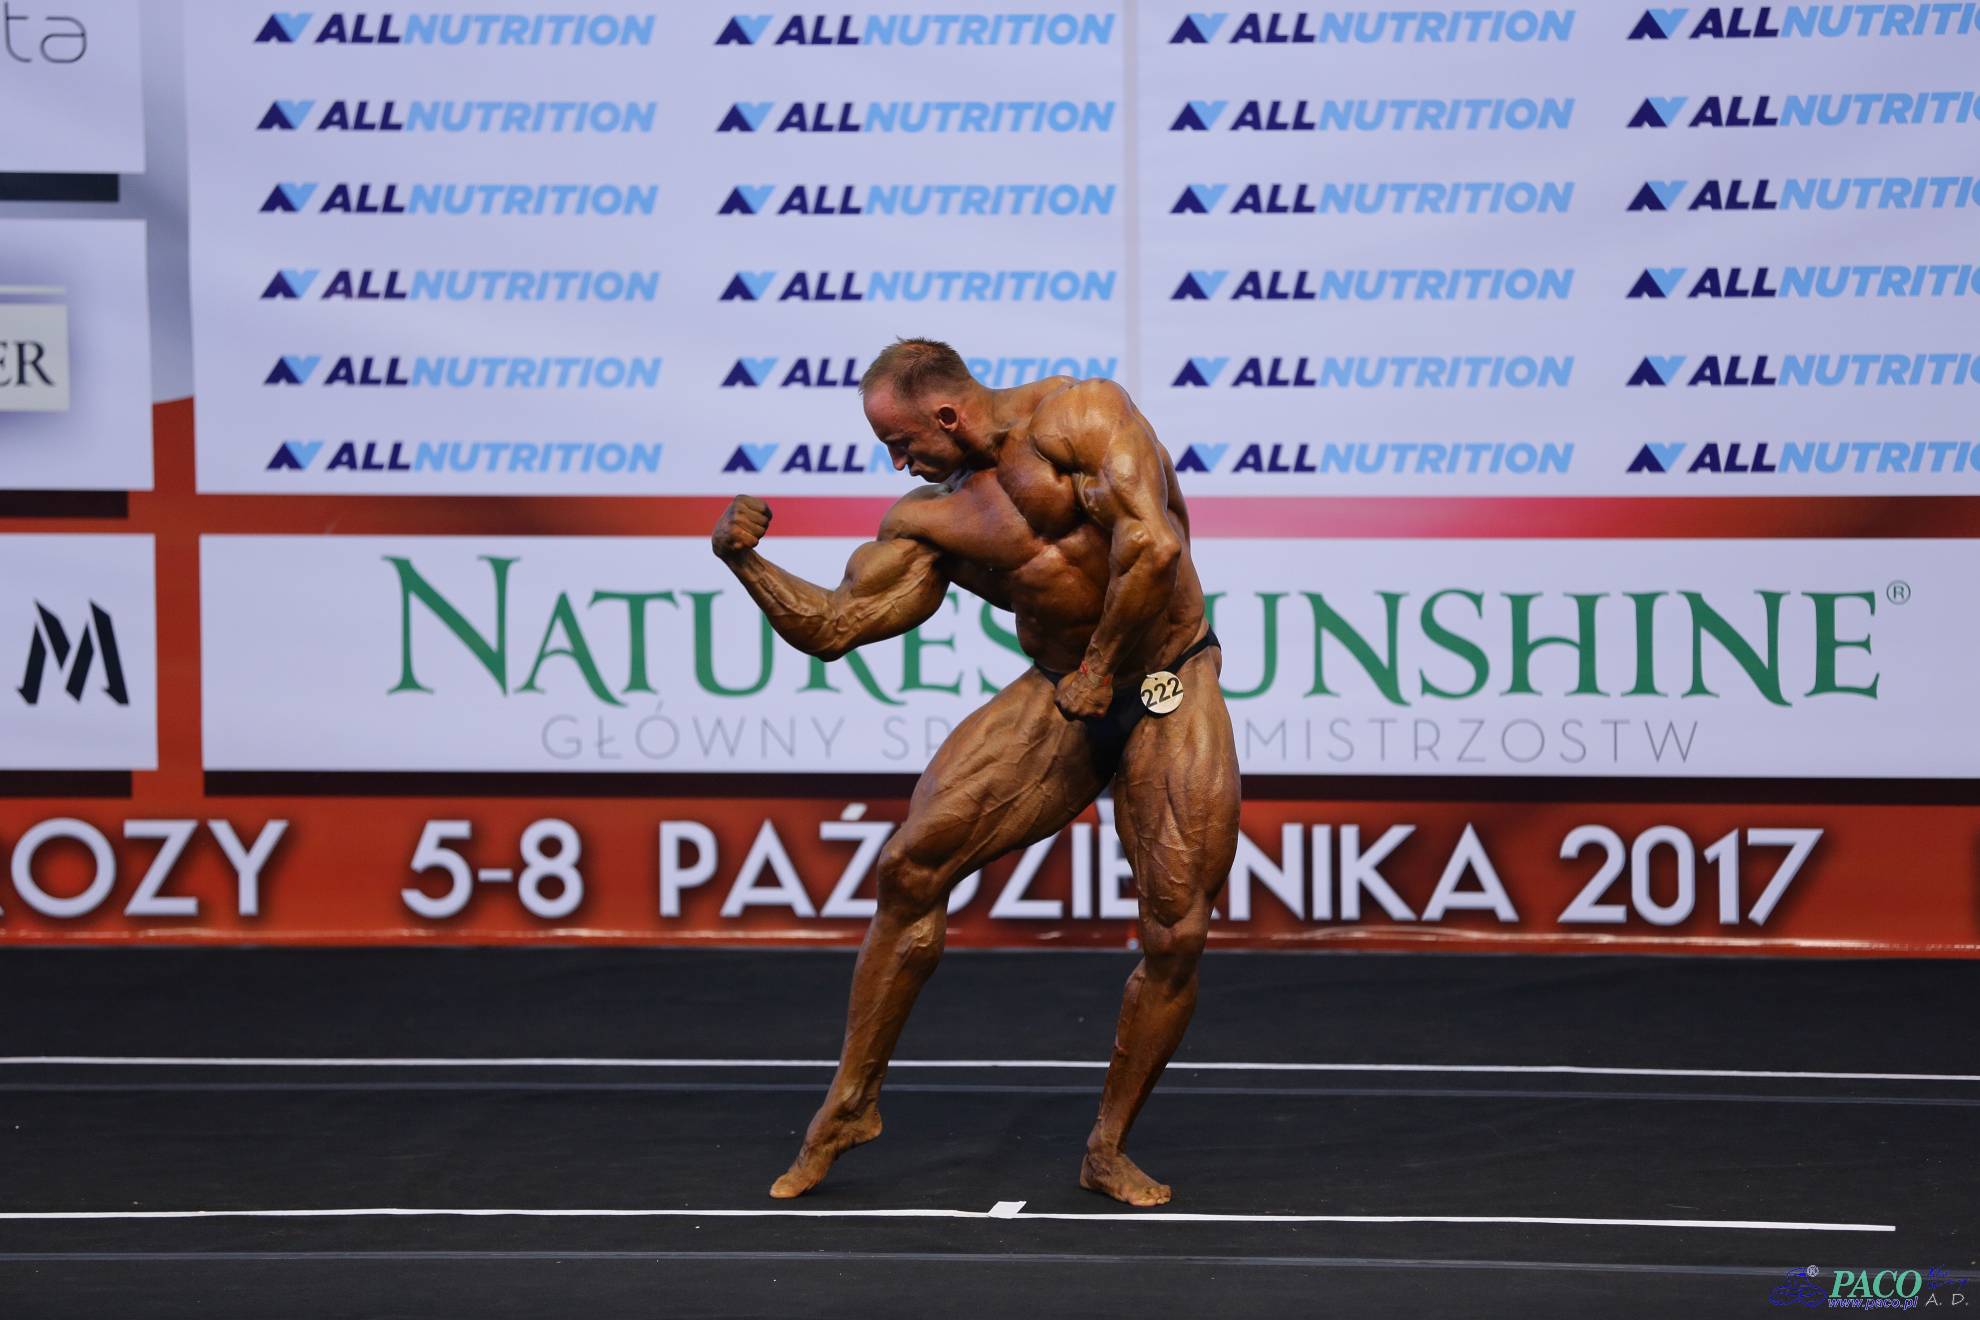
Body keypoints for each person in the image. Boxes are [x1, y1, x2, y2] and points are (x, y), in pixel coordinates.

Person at [710, 338, 1241, 1207]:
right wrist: (746, 563)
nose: (898, 463)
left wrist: (1103, 667)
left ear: (948, 415)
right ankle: (851, 1106)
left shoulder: (1082, 416)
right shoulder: (930, 520)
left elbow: (1152, 549)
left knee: (1175, 932)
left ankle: (1107, 1148)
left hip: (1165, 679)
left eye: (903, 442)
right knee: (910, 867)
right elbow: (836, 627)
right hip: (1064, 687)